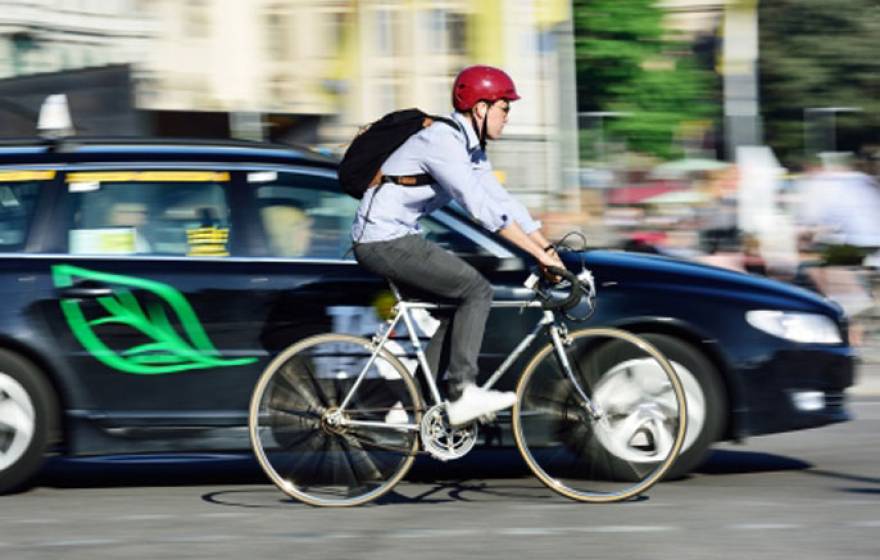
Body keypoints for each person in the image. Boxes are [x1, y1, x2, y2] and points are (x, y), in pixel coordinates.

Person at [350, 65, 564, 426]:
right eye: (505, 108)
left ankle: (416, 407)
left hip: (397, 236)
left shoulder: (471, 148)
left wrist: (547, 247)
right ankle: (462, 392)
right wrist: (535, 255)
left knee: (457, 305)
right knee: (476, 291)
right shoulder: (443, 142)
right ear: (480, 108)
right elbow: (479, 208)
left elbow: (501, 200)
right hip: (383, 239)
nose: (508, 117)